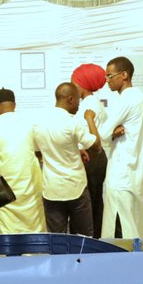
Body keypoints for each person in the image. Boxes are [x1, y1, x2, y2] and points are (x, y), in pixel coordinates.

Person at [32, 81, 98, 235]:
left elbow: (38, 152)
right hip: (76, 188)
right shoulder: (72, 122)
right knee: (83, 239)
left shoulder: (39, 123)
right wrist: (90, 119)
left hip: (52, 189)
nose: (78, 105)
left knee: (56, 241)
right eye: (78, 101)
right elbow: (96, 146)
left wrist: (60, 154)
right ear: (70, 99)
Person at [99, 56, 143, 239]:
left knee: (120, 231)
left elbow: (102, 133)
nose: (107, 80)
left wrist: (110, 132)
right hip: (137, 172)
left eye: (110, 76)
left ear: (124, 75)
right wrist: (112, 132)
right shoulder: (140, 97)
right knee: (135, 227)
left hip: (122, 174)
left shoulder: (126, 99)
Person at [0, 87, 44, 234]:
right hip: (30, 186)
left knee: (7, 231)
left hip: (4, 190)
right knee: (34, 227)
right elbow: (38, 150)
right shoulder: (29, 122)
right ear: (14, 104)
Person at [72, 63, 110, 234]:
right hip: (94, 157)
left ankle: (92, 239)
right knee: (93, 202)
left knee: (91, 203)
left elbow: (90, 136)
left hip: (92, 158)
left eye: (74, 82)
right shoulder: (91, 102)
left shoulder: (90, 105)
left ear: (83, 84)